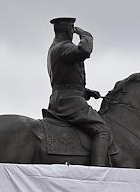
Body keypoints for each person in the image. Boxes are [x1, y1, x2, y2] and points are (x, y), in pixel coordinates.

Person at [46, 16, 114, 166]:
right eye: (72, 28)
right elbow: (84, 50)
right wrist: (86, 35)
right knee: (102, 130)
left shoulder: (55, 48)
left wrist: (86, 91)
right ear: (70, 30)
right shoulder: (63, 47)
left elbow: (63, 80)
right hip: (69, 101)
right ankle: (98, 171)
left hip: (63, 97)